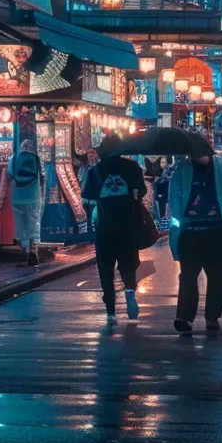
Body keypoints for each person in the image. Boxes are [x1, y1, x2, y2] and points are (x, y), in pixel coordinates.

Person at [168, 138, 222, 333]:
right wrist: (175, 229)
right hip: (189, 234)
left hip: (217, 233)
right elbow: (174, 200)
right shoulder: (181, 170)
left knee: (216, 277)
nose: (197, 157)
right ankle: (184, 318)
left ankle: (212, 316)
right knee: (188, 277)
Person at [80, 133, 146, 323]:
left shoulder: (96, 171)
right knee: (128, 264)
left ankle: (110, 310)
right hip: (128, 225)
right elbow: (141, 191)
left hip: (105, 226)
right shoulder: (132, 167)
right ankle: (130, 291)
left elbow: (88, 196)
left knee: (106, 268)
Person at [0, 138, 45, 266]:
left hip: (17, 197)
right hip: (33, 197)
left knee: (20, 224)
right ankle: (33, 250)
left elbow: (8, 176)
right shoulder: (37, 158)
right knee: (33, 223)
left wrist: (1, 197)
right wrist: (42, 196)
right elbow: (42, 178)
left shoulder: (14, 158)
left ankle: (24, 252)